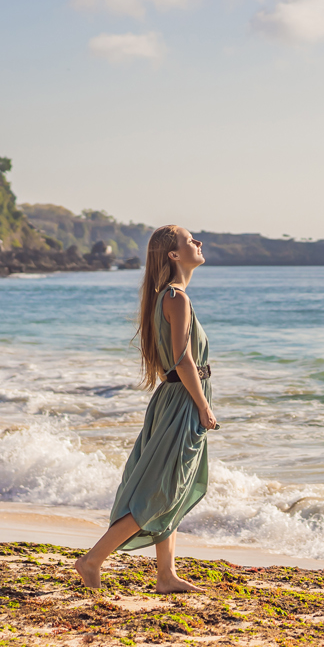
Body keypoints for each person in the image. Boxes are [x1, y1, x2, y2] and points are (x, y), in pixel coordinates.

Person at [74, 225, 218, 592]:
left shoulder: (166, 296)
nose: (198, 244)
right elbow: (184, 361)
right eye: (190, 241)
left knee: (172, 488)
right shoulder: (176, 298)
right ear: (173, 254)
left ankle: (166, 575)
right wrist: (203, 405)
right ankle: (92, 560)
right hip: (183, 399)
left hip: (173, 399)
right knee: (161, 490)